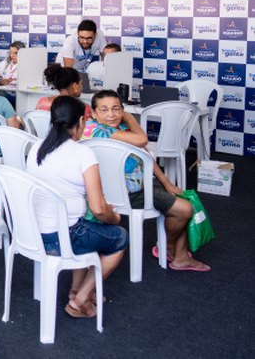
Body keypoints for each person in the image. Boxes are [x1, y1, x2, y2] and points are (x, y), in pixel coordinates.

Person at [84, 90, 210, 272]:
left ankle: (181, 257)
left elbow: (145, 155)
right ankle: (167, 247)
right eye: (104, 110)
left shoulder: (118, 130)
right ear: (94, 113)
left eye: (116, 109)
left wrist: (166, 182)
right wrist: (129, 118)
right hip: (127, 192)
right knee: (185, 210)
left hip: (141, 183)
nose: (111, 114)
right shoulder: (97, 130)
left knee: (183, 197)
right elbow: (143, 139)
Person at [26, 95, 127, 319]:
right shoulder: (83, 153)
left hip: (33, 232)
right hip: (62, 238)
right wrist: (115, 218)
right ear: (81, 121)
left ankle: (75, 290)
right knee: (119, 237)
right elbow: (99, 208)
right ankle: (80, 299)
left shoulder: (37, 147)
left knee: (86, 224)